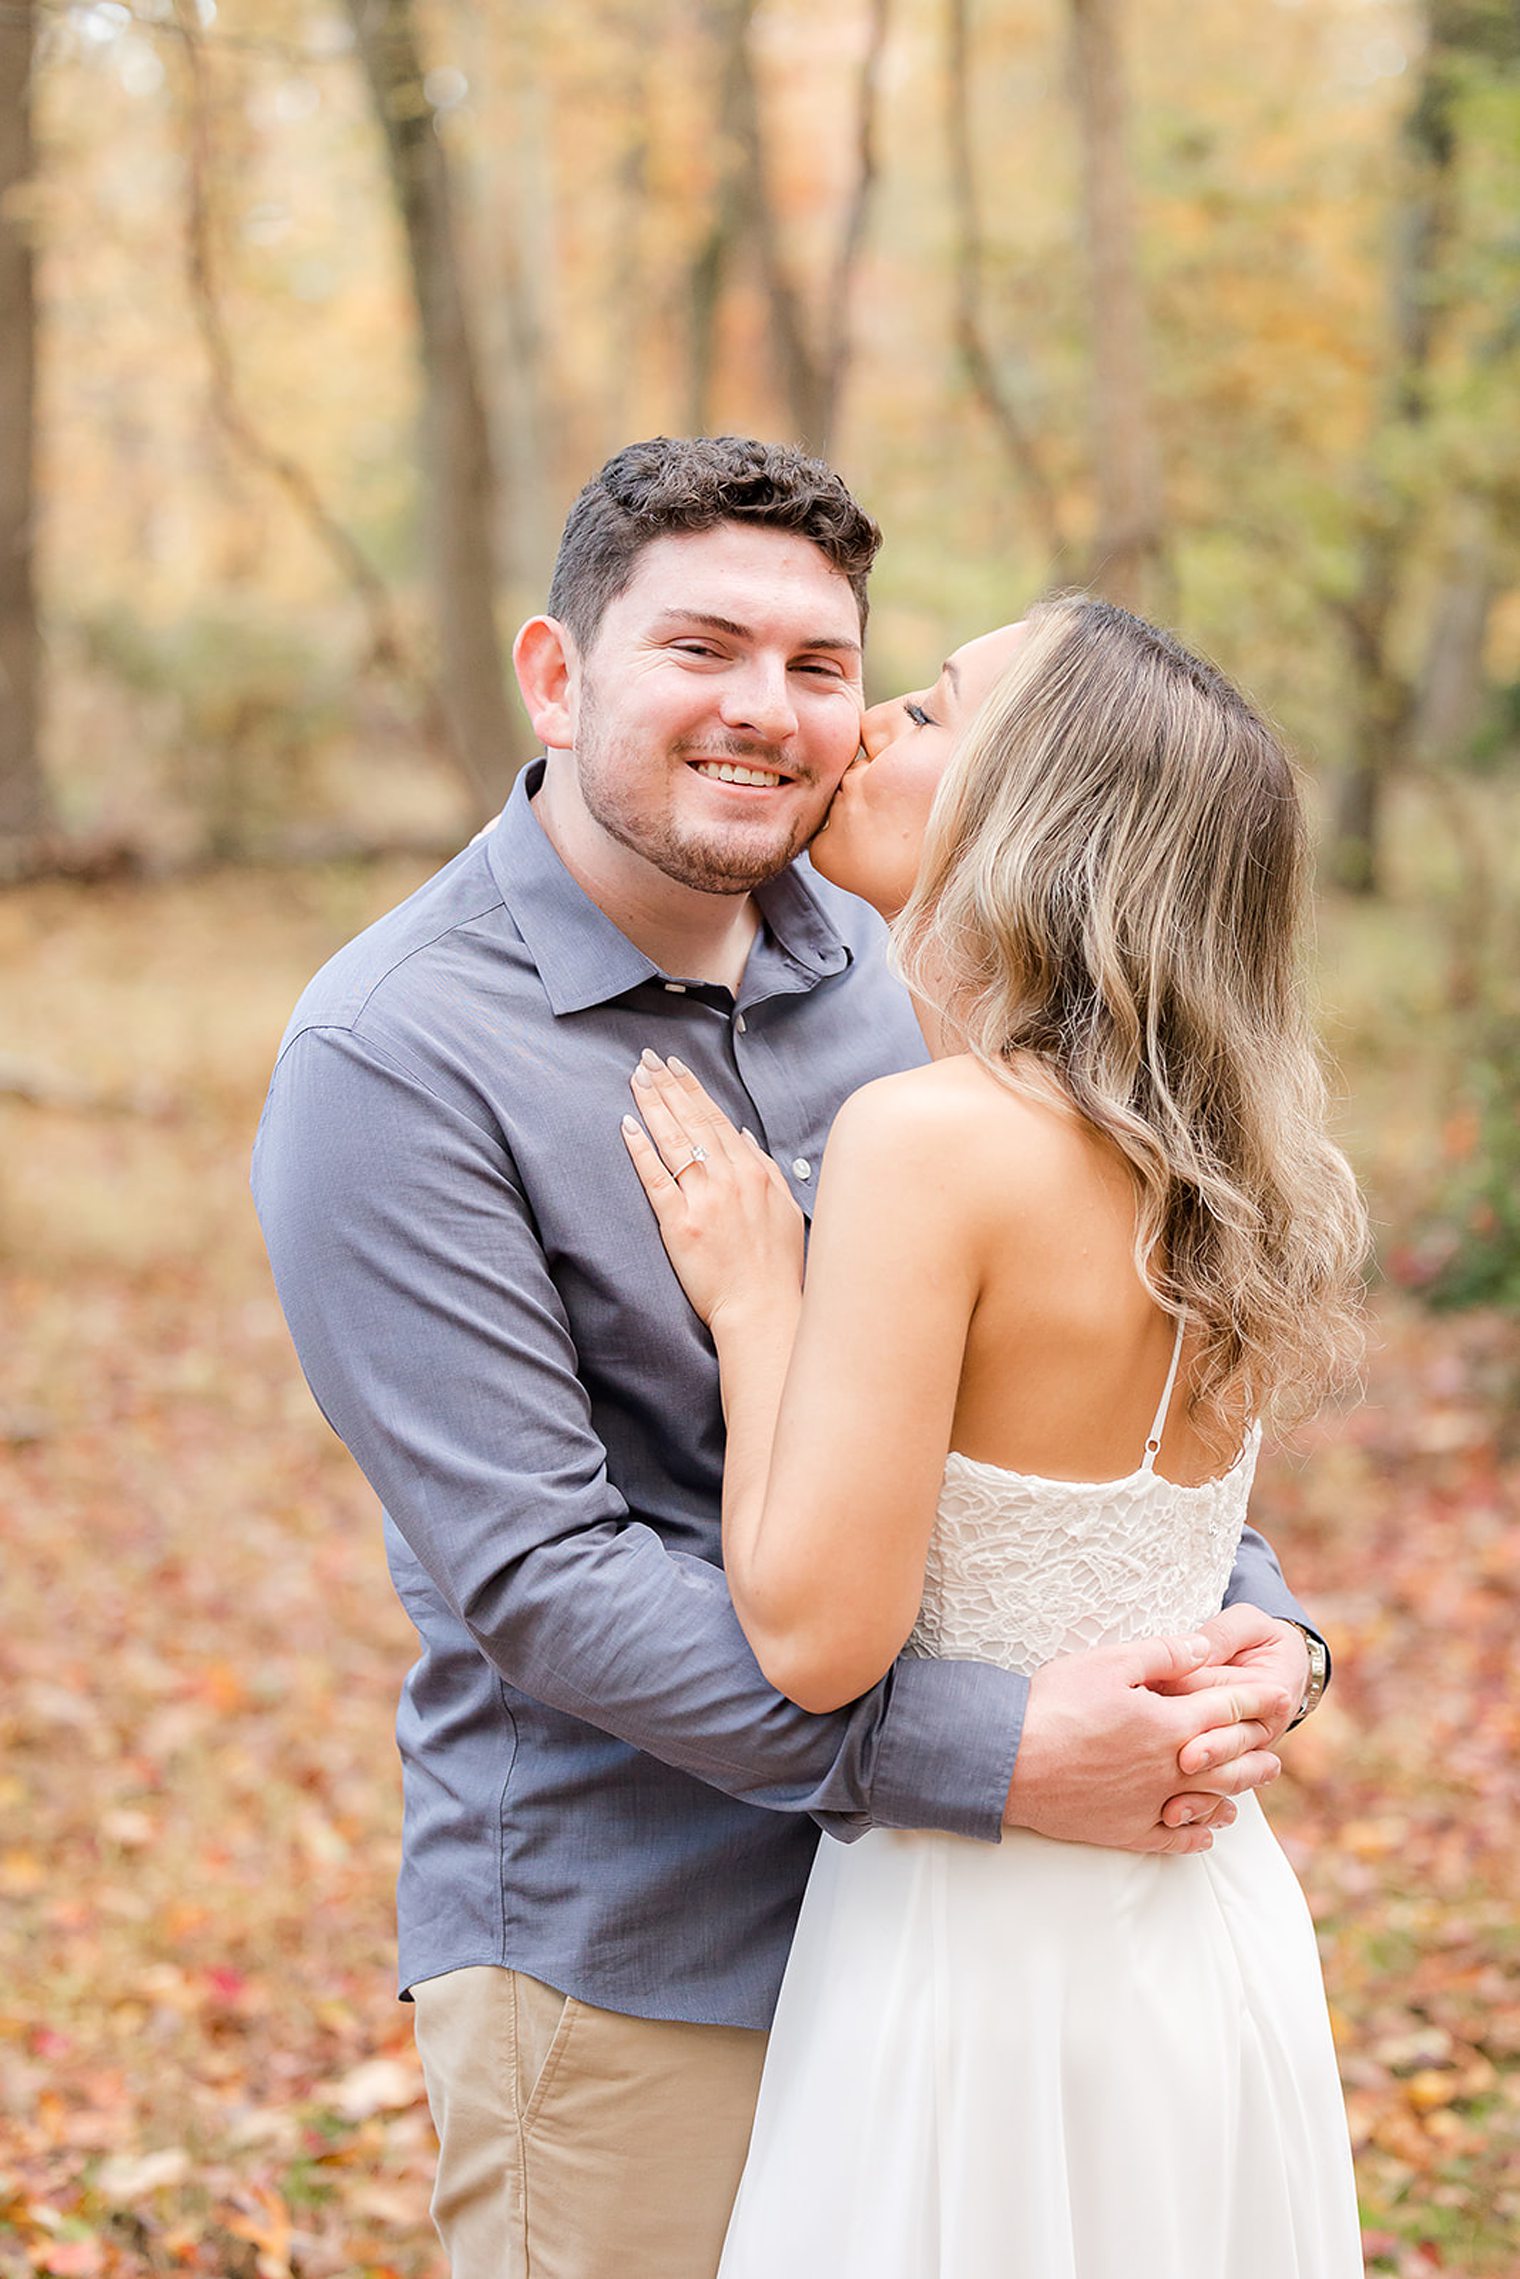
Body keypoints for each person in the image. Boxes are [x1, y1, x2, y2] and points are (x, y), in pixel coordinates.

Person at [252, 437, 1325, 2279]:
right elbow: (545, 1577)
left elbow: (1056, 1402)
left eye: (829, 669)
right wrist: (997, 1756)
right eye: (702, 649)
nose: (772, 712)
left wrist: (1264, 1629)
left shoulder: (918, 982)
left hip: (978, 1942)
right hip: (642, 1963)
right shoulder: (396, 1058)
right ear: (559, 670)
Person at [621, 594, 1367, 2277]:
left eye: (938, 711)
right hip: (1209, 1933)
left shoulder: (928, 1141)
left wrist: (759, 1303)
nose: (871, 720)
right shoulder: (1239, 1167)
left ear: (1047, 819)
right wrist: (1293, 1655)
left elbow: (818, 1639)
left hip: (977, 1963)